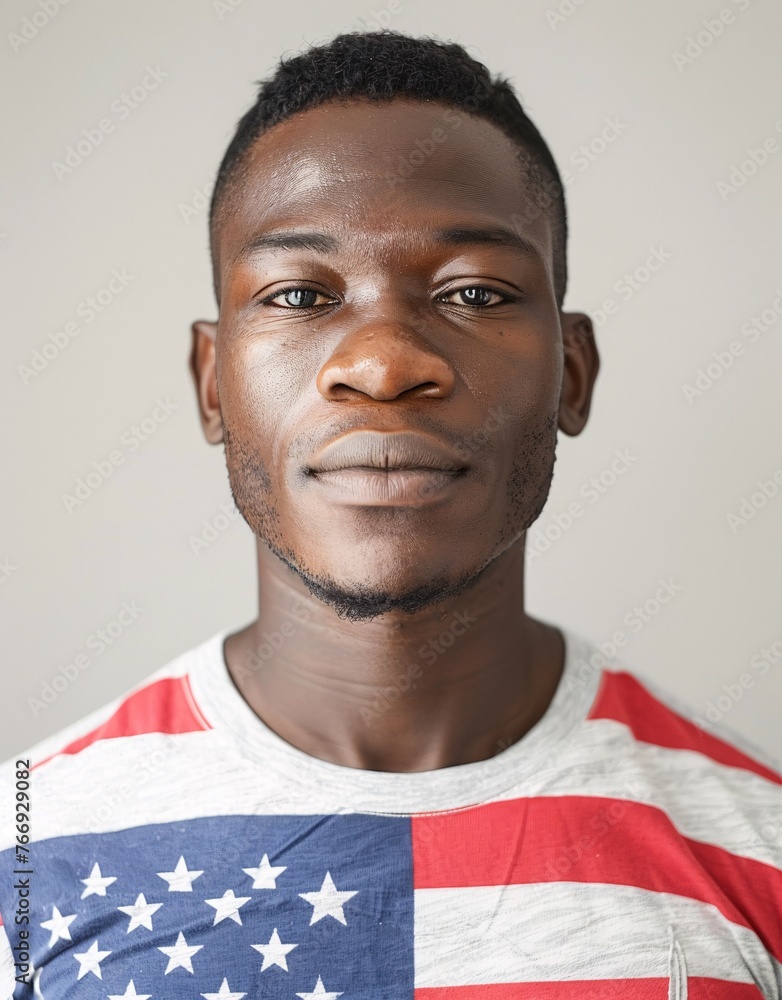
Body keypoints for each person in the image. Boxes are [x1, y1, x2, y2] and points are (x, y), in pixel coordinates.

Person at [1, 30, 780, 1000]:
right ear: (212, 383)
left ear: (570, 375)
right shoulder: (29, 844)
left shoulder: (760, 845)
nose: (382, 362)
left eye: (473, 292)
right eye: (297, 293)